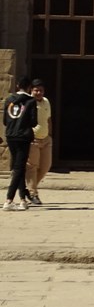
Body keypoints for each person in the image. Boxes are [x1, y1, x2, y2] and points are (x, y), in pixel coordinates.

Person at [3, 77, 38, 211]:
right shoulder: (30, 101)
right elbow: (34, 122)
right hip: (23, 137)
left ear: (17, 86)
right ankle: (9, 199)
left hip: (11, 135)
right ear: (29, 87)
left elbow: (5, 121)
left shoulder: (9, 100)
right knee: (18, 168)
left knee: (20, 166)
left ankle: (23, 199)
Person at [26, 79, 52, 205]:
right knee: (32, 167)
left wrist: (50, 134)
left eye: (41, 90)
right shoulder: (27, 103)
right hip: (33, 139)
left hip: (46, 139)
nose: (38, 92)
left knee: (45, 166)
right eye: (36, 90)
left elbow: (48, 119)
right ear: (31, 91)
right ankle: (32, 193)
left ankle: (28, 188)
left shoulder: (46, 101)